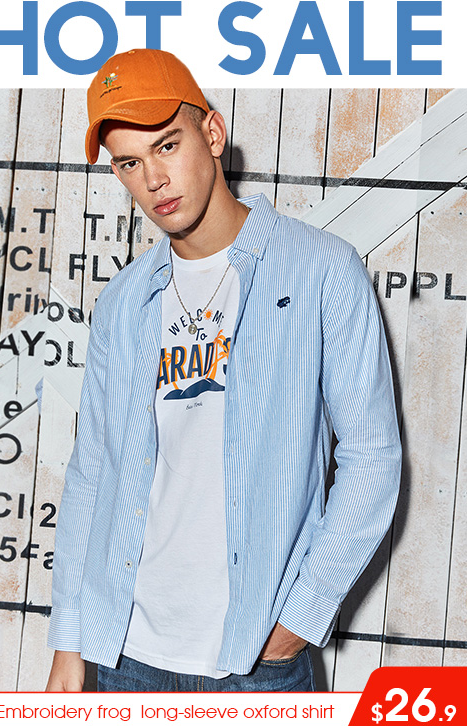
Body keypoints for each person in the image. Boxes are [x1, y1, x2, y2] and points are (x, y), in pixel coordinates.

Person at [46, 49, 402, 693]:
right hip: (126, 653)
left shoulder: (321, 270)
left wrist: (297, 620)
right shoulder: (124, 302)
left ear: (212, 133)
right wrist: (71, 644)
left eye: (167, 145)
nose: (155, 179)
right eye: (130, 163)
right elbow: (92, 472)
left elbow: (372, 457)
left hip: (256, 657)